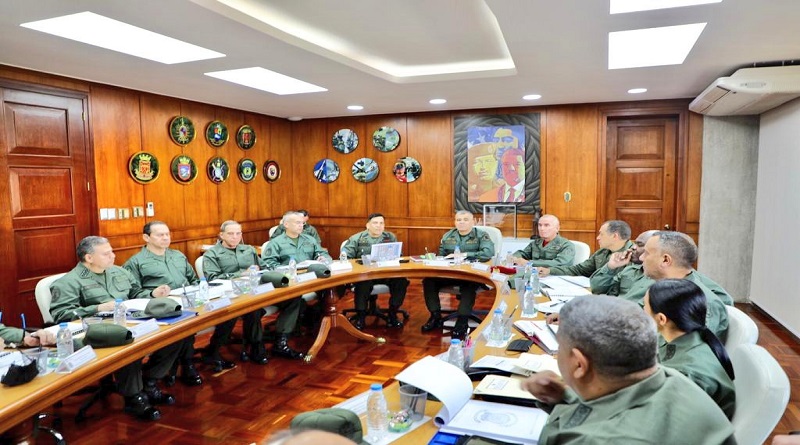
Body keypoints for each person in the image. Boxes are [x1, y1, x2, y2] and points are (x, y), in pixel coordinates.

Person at [522, 295, 735, 444]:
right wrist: (564, 397)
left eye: (560, 346)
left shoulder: (594, 440)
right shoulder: (675, 377)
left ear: (579, 364)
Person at [49, 236, 179, 421]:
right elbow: (61, 315)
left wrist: (152, 293)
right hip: (96, 333)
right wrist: (97, 308)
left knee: (174, 334)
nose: (113, 256)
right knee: (128, 343)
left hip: (130, 321)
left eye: (112, 251)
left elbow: (135, 293)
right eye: (106, 253)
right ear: (89, 258)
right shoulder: (68, 282)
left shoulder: (119, 272)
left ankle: (149, 382)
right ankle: (133, 398)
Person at [123, 221, 202, 387]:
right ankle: (158, 372)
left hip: (186, 302)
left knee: (194, 322)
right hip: (158, 309)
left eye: (167, 234)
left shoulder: (178, 255)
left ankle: (186, 363)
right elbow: (132, 294)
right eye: (160, 235)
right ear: (146, 238)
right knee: (181, 328)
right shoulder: (135, 262)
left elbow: (193, 280)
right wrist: (152, 294)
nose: (165, 238)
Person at [644, 279, 736, 419]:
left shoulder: (688, 374)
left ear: (661, 319)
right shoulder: (689, 336)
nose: (642, 312)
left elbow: (663, 416)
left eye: (644, 307)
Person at [262, 211, 333, 360]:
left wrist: (323, 258)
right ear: (286, 224)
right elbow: (268, 264)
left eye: (302, 223)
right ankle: (281, 342)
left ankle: (314, 321)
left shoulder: (309, 239)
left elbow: (323, 253)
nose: (301, 226)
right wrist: (287, 270)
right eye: (297, 223)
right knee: (294, 299)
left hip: (311, 279)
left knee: (334, 287)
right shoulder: (275, 243)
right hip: (289, 282)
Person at [637, 231, 730, 341]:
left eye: (646, 253)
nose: (641, 258)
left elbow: (686, 348)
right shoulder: (664, 289)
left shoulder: (699, 302)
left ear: (665, 260)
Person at [202, 220, 270, 368]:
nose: (235, 237)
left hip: (251, 291)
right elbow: (213, 278)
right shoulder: (212, 254)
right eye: (230, 234)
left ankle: (255, 346)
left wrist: (261, 270)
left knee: (254, 308)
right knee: (246, 310)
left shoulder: (249, 250)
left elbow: (265, 267)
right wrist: (240, 274)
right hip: (227, 295)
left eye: (238, 233)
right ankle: (217, 349)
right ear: (221, 235)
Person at [421, 211, 494, 339]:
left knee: (468, 285)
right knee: (429, 281)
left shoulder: (482, 235)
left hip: (472, 275)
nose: (461, 222)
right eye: (458, 220)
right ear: (455, 222)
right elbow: (442, 255)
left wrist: (465, 255)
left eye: (465, 219)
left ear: (473, 222)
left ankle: (462, 321)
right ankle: (435, 316)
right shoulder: (448, 235)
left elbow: (487, 253)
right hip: (451, 274)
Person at [341, 213, 409, 330]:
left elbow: (398, 255)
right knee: (363, 283)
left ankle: (392, 313)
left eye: (381, 223)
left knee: (401, 281)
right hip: (366, 274)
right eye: (375, 223)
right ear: (368, 225)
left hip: (385, 273)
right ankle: (361, 316)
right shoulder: (357, 238)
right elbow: (346, 257)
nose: (379, 226)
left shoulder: (390, 237)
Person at [540, 220, 633, 278]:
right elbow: (579, 270)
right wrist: (550, 270)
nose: (598, 238)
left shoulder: (633, 257)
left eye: (601, 234)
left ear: (614, 236)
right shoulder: (602, 252)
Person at [590, 229, 658, 298]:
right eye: (635, 243)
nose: (633, 247)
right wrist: (610, 267)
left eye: (640, 244)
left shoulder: (658, 279)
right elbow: (596, 289)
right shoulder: (629, 270)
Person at [510, 214, 575, 267]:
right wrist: (514, 258)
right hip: (536, 275)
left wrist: (528, 263)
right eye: (540, 225)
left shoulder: (567, 245)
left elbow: (559, 263)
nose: (542, 228)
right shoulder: (536, 243)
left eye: (546, 225)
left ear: (557, 228)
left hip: (556, 276)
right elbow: (522, 253)